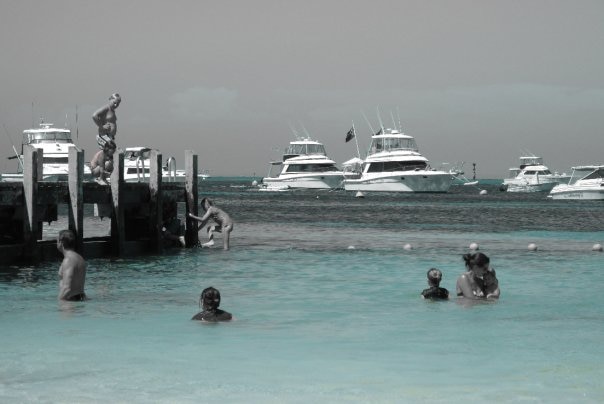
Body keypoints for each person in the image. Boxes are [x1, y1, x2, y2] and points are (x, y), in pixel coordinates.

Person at [57, 229, 87, 301]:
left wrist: (58, 304)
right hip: (80, 299)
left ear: (61, 243)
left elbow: (67, 288)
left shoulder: (68, 260)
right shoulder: (80, 258)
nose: (56, 243)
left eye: (57, 241)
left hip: (69, 303)